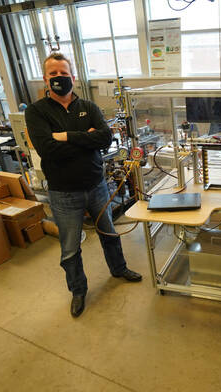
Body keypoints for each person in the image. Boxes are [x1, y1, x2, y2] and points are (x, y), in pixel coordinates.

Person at [25, 53, 142, 318]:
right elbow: (47, 149)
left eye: (63, 73)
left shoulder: (88, 107)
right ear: (45, 79)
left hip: (96, 184)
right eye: (53, 74)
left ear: (73, 78)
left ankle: (119, 268)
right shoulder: (35, 112)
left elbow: (104, 138)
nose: (59, 78)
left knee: (109, 233)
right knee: (70, 247)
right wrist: (84, 139)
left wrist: (65, 137)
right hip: (63, 192)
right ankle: (78, 291)